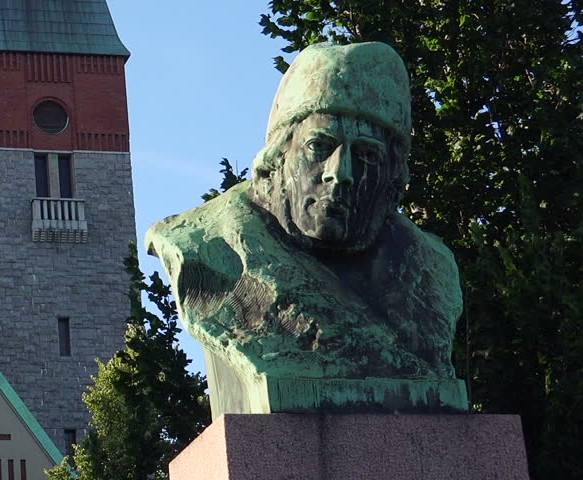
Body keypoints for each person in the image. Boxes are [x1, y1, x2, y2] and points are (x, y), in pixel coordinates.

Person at [146, 42, 465, 413]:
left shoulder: (431, 272)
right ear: (278, 157)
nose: (340, 173)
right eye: (319, 146)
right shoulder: (204, 249)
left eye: (367, 155)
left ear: (392, 178)